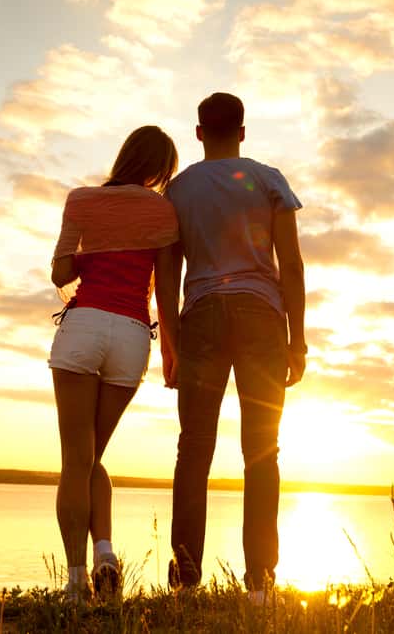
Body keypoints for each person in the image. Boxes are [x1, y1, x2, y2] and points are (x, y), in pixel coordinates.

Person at [157, 92, 306, 602]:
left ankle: (185, 585)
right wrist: (298, 340)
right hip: (262, 317)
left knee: (194, 448)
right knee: (261, 452)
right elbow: (292, 263)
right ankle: (261, 586)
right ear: (243, 132)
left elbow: (167, 270)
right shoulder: (268, 179)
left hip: (200, 316)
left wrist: (170, 342)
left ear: (198, 132)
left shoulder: (177, 190)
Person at [47, 125, 181, 603]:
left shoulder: (81, 199)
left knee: (75, 463)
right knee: (91, 459)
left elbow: (61, 272)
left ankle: (77, 584)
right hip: (129, 336)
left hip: (83, 330)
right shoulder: (164, 210)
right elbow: (166, 289)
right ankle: (105, 552)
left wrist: (90, 257)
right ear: (161, 170)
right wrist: (172, 353)